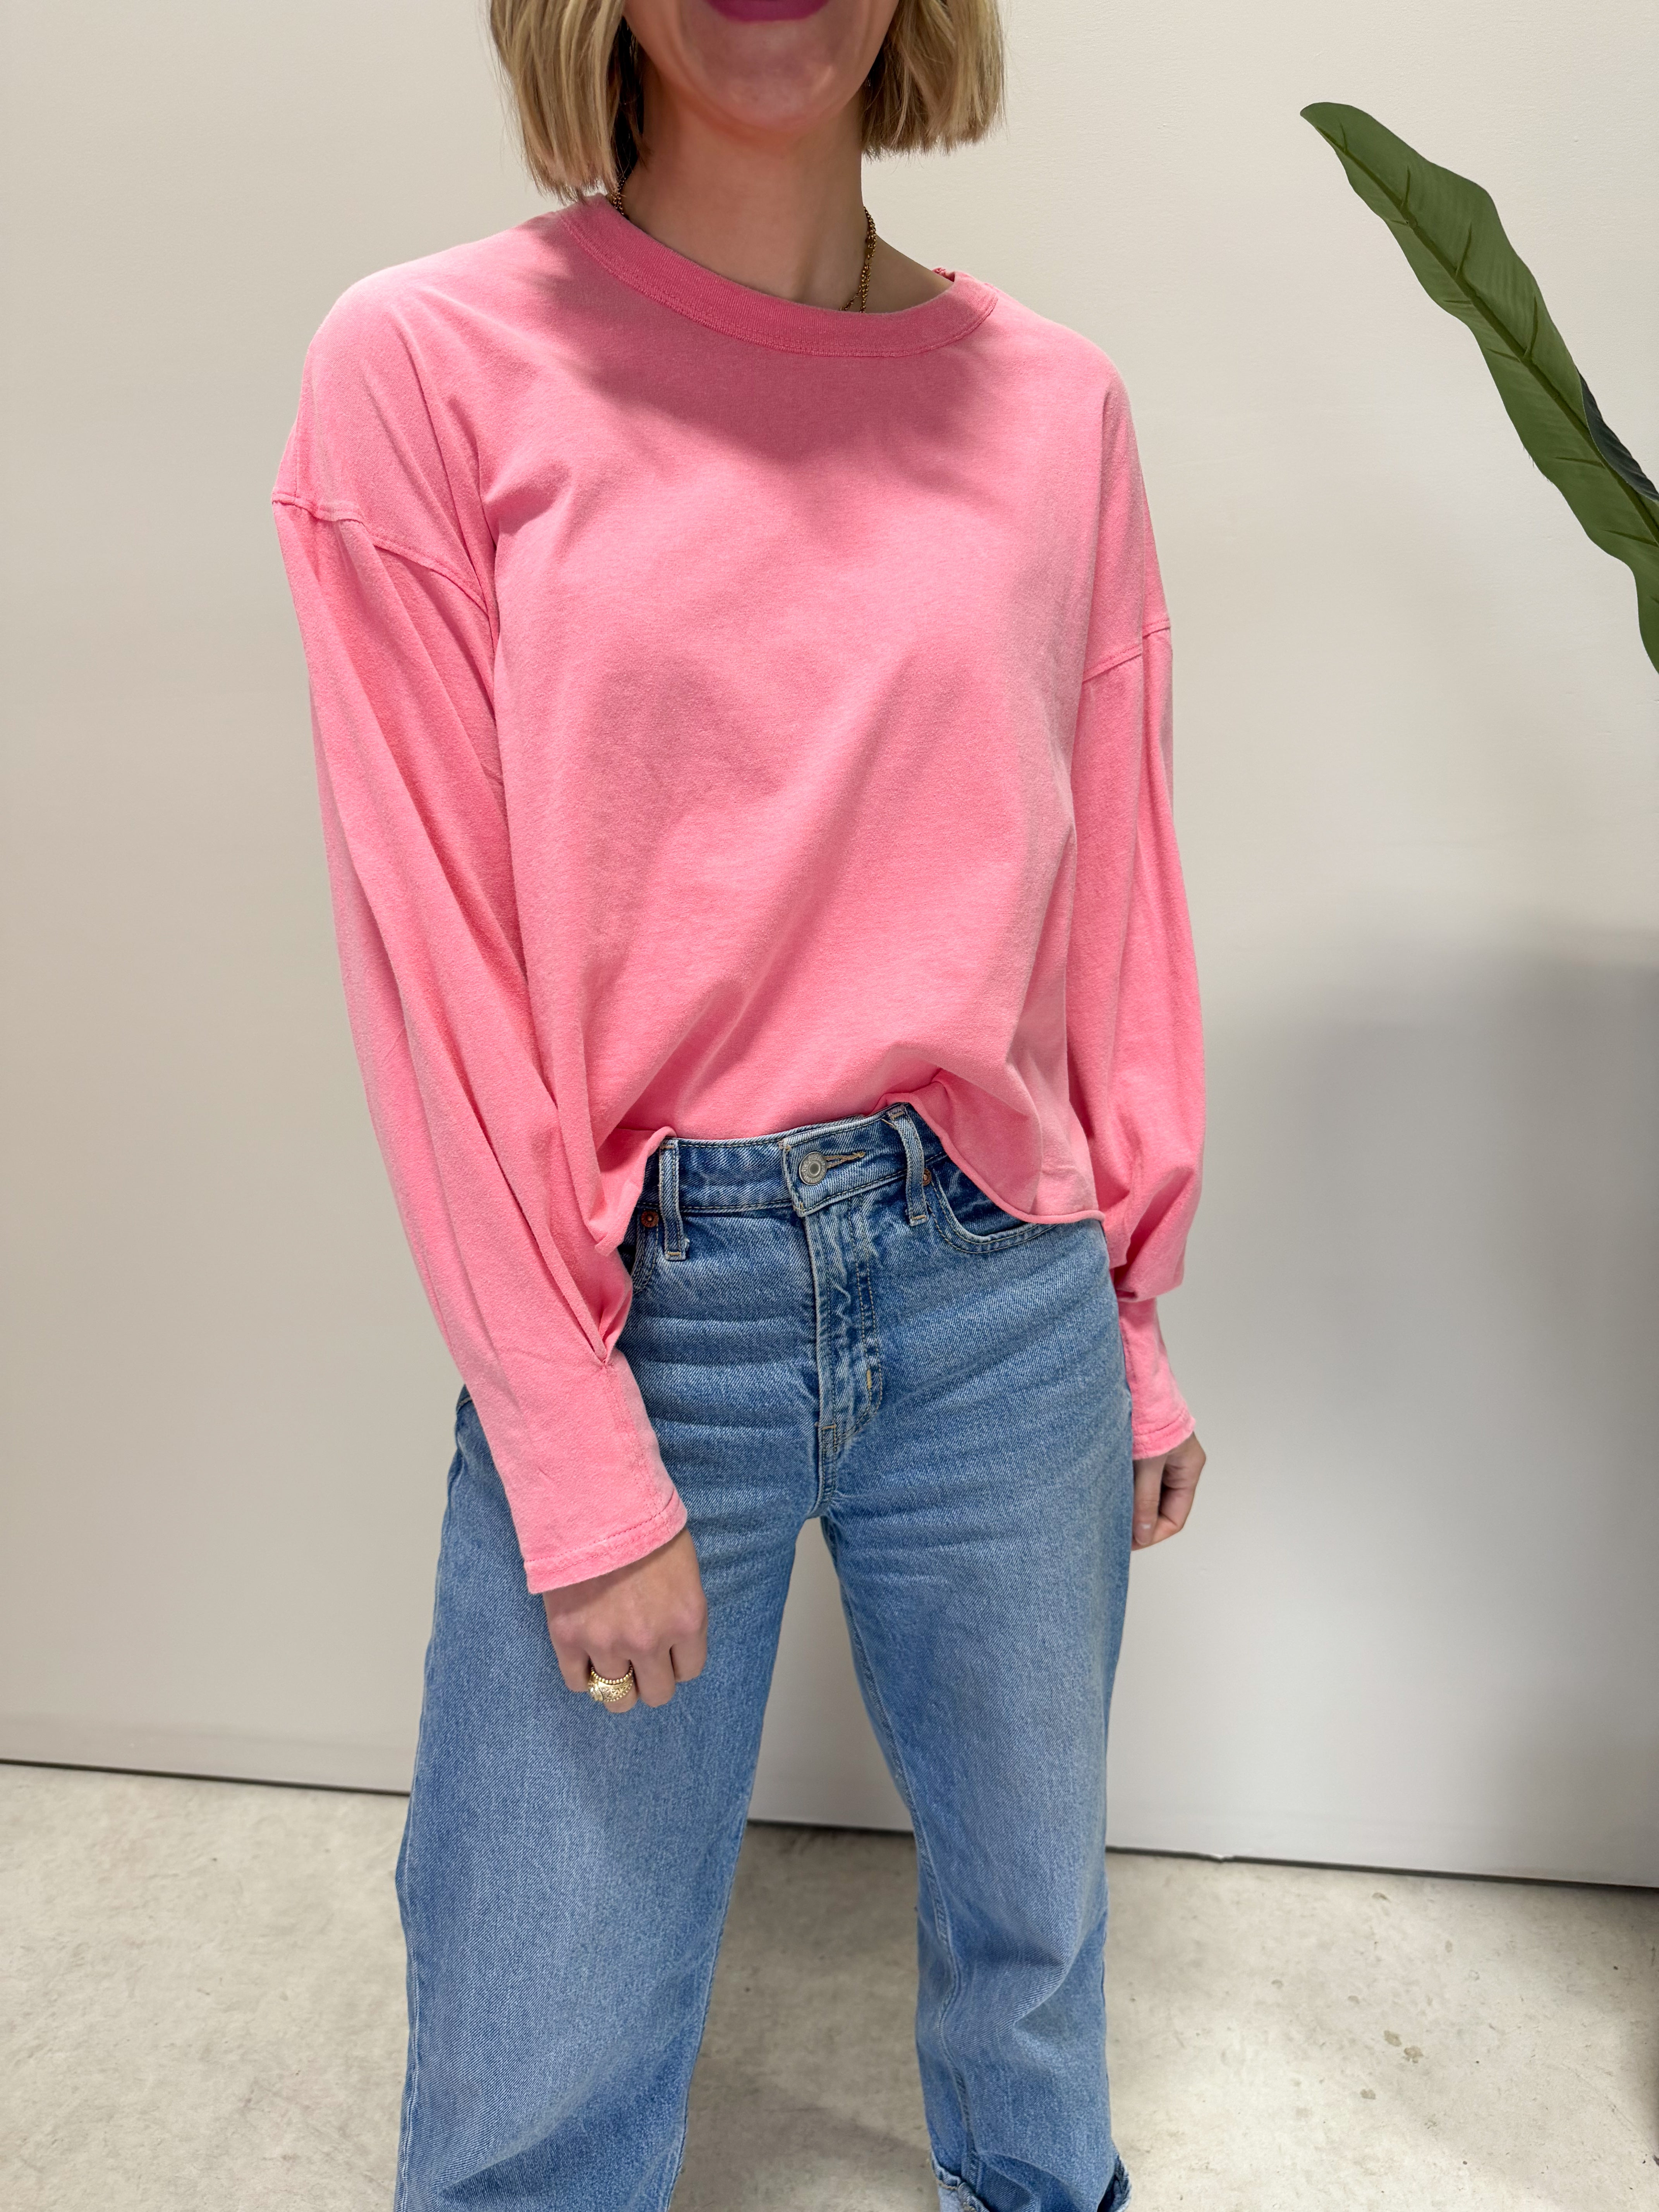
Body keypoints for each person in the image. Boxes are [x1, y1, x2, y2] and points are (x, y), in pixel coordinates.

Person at [273, 2, 1206, 2205]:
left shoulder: (1057, 409)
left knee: (1035, 1949)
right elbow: (435, 963)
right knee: (537, 2046)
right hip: (644, 1310)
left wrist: (1134, 1319)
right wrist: (572, 1453)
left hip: (1006, 1289)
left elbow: (1112, 893)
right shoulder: (423, 368)